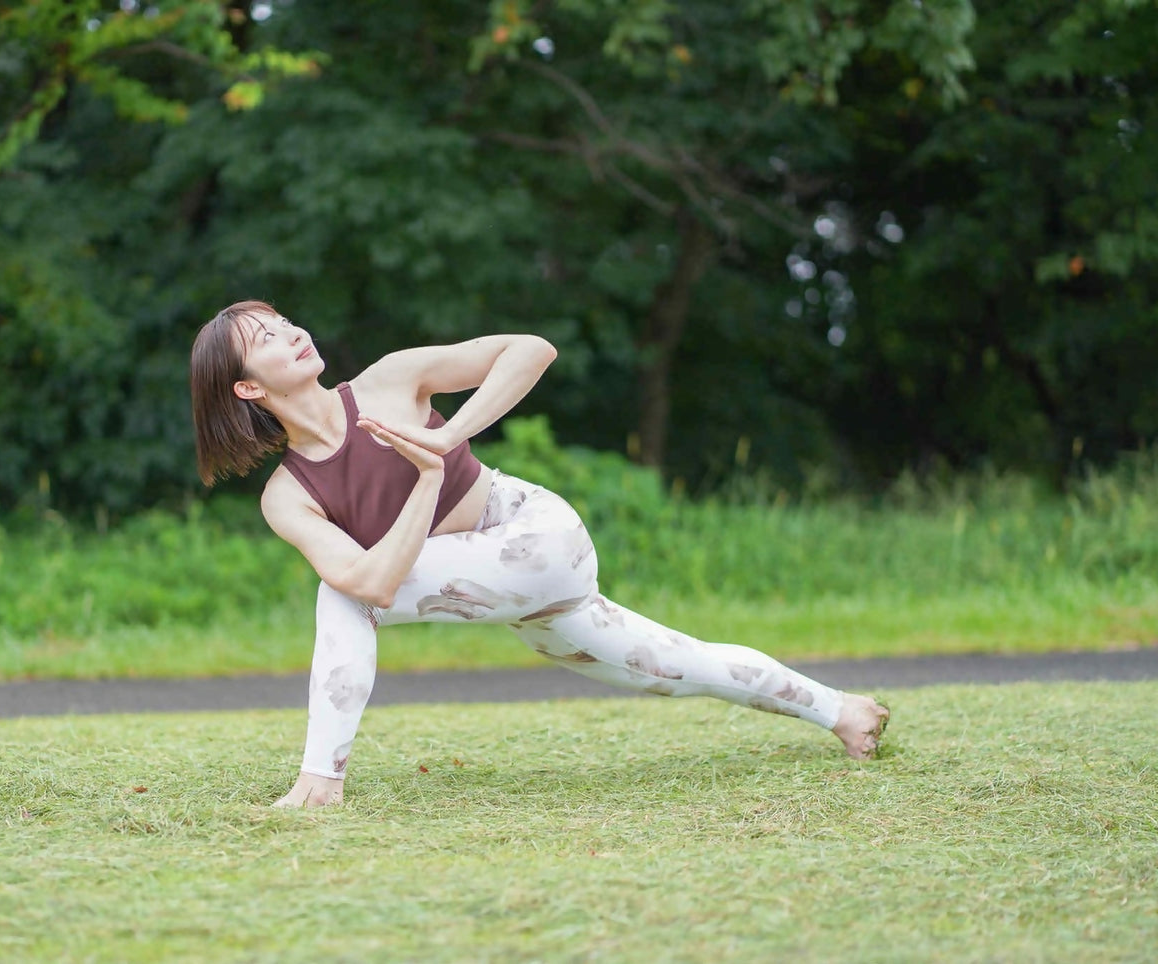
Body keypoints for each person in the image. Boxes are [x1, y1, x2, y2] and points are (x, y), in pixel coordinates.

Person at [190, 300, 889, 808]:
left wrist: (449, 434)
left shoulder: (389, 380)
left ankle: (320, 781)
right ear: (248, 387)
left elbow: (530, 349)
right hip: (509, 598)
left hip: (533, 538)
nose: (291, 333)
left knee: (336, 593)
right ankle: (843, 711)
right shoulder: (287, 496)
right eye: (267, 338)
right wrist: (427, 480)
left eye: (285, 322)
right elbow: (370, 582)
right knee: (672, 665)